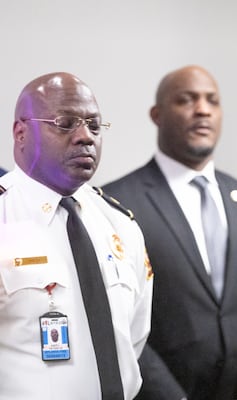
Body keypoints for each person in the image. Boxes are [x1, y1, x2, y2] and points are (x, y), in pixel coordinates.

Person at [102, 65, 237, 400]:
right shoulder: (116, 204)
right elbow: (118, 324)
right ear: (157, 114)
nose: (203, 109)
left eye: (212, 101)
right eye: (186, 100)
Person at [0, 72, 153, 399]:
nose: (85, 136)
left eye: (94, 126)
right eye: (65, 122)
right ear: (21, 133)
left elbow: (134, 337)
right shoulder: (4, 217)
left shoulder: (119, 224)